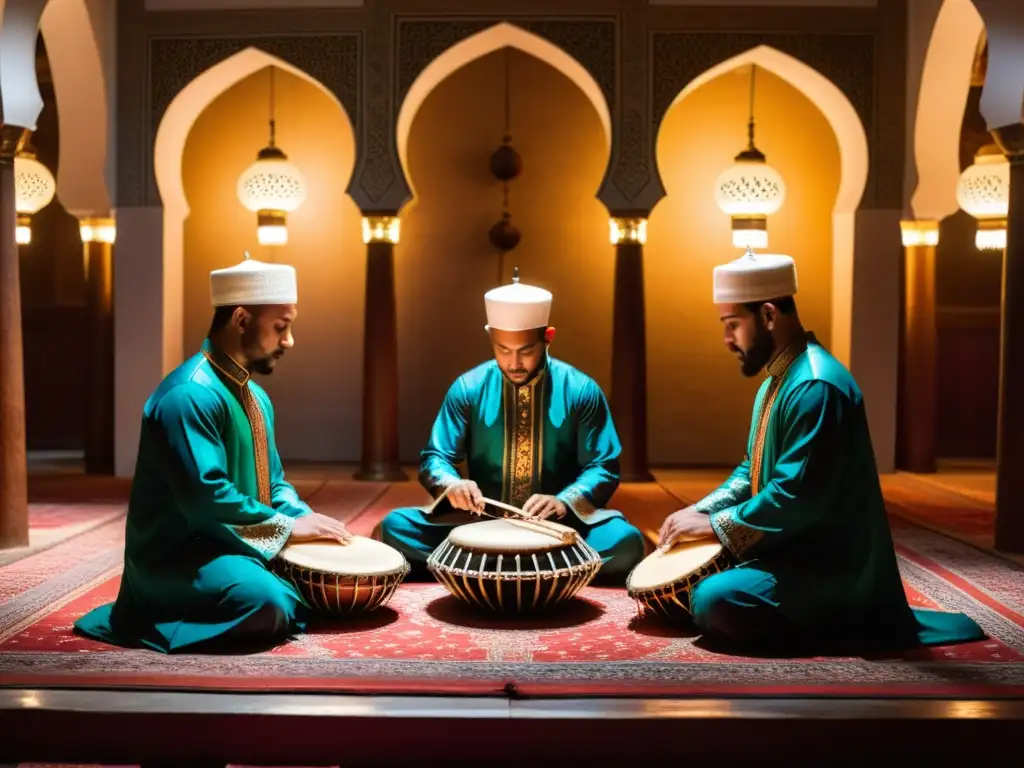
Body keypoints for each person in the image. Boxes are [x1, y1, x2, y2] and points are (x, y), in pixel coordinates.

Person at [658, 247, 985, 653]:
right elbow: (750, 470)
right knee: (693, 587)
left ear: (769, 315)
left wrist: (718, 525)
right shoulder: (776, 382)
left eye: (733, 325)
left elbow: (793, 496)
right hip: (786, 548)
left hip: (827, 566)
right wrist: (702, 511)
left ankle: (841, 623)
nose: (727, 340)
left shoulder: (816, 385)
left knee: (716, 600)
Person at [74, 254, 352, 654]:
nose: (289, 341)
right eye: (281, 327)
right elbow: (205, 499)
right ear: (241, 320)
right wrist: (287, 530)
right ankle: (155, 613)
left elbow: (273, 484)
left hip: (237, 542)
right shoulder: (189, 394)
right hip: (182, 555)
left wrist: (304, 517)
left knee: (328, 569)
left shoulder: (255, 397)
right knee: (265, 604)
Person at [376, 269, 645, 583]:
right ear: (490, 335)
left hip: (559, 529)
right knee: (396, 526)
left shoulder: (581, 390)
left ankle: (481, 567)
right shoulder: (468, 388)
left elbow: (604, 466)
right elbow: (436, 457)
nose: (514, 363)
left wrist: (564, 500)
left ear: (548, 337)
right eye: (503, 350)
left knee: (625, 541)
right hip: (481, 523)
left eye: (526, 351)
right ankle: (548, 570)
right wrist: (453, 485)